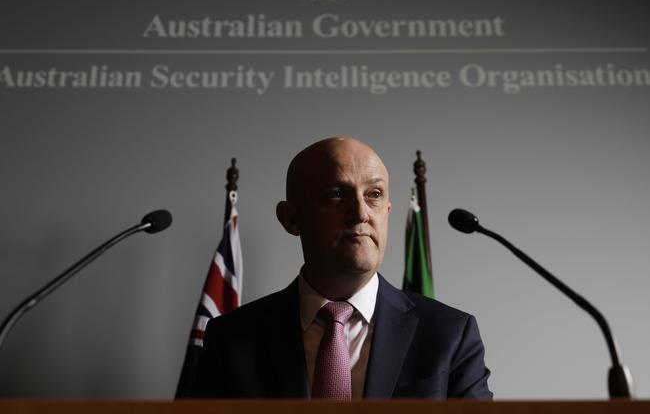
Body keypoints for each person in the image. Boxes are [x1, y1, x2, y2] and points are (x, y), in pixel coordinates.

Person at [186, 137, 492, 399]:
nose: (360, 212)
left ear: (387, 211)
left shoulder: (450, 335)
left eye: (374, 195)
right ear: (291, 218)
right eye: (336, 194)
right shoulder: (231, 339)